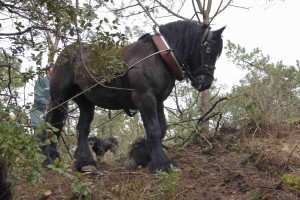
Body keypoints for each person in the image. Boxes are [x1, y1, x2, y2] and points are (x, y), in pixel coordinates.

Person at [30, 62, 54, 130]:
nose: (54, 70)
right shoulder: (41, 80)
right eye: (52, 68)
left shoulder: (57, 83)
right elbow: (38, 96)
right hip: (38, 112)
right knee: (39, 133)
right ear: (47, 70)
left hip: (50, 114)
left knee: (50, 135)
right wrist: (47, 103)